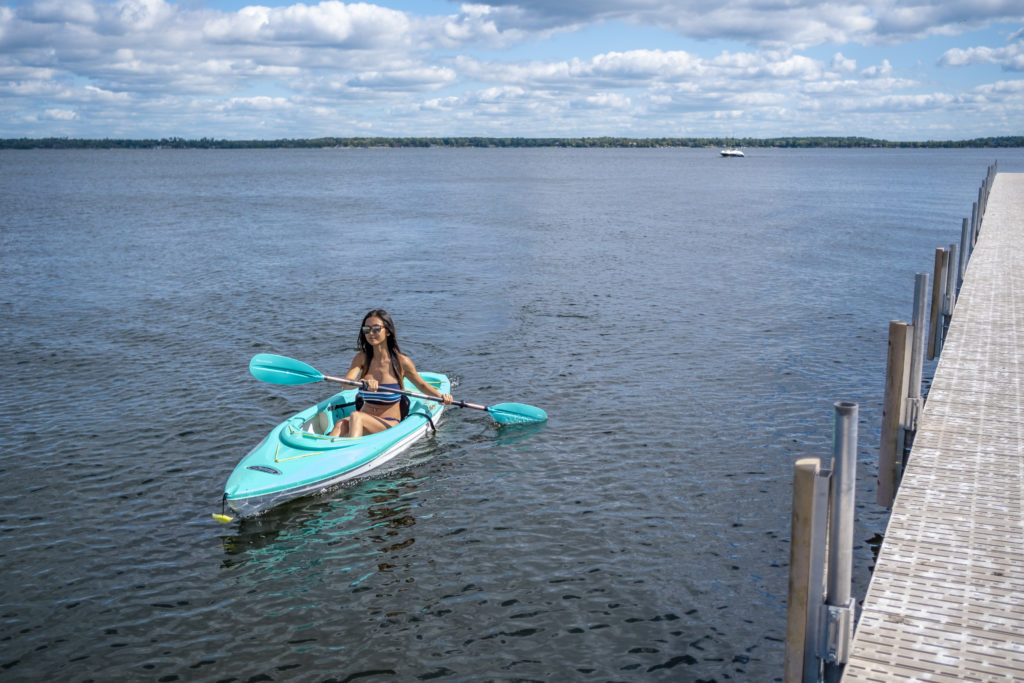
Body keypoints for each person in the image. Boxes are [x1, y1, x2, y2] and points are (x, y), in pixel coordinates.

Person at [328, 309, 452, 438]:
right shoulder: (361, 358)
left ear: (387, 331)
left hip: (388, 423)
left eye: (376, 329)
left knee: (355, 416)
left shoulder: (402, 362)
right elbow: (346, 385)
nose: (371, 333)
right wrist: (361, 383)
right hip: (363, 417)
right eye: (366, 329)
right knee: (340, 424)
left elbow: (421, 385)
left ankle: (352, 452)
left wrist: (441, 397)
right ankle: (329, 451)